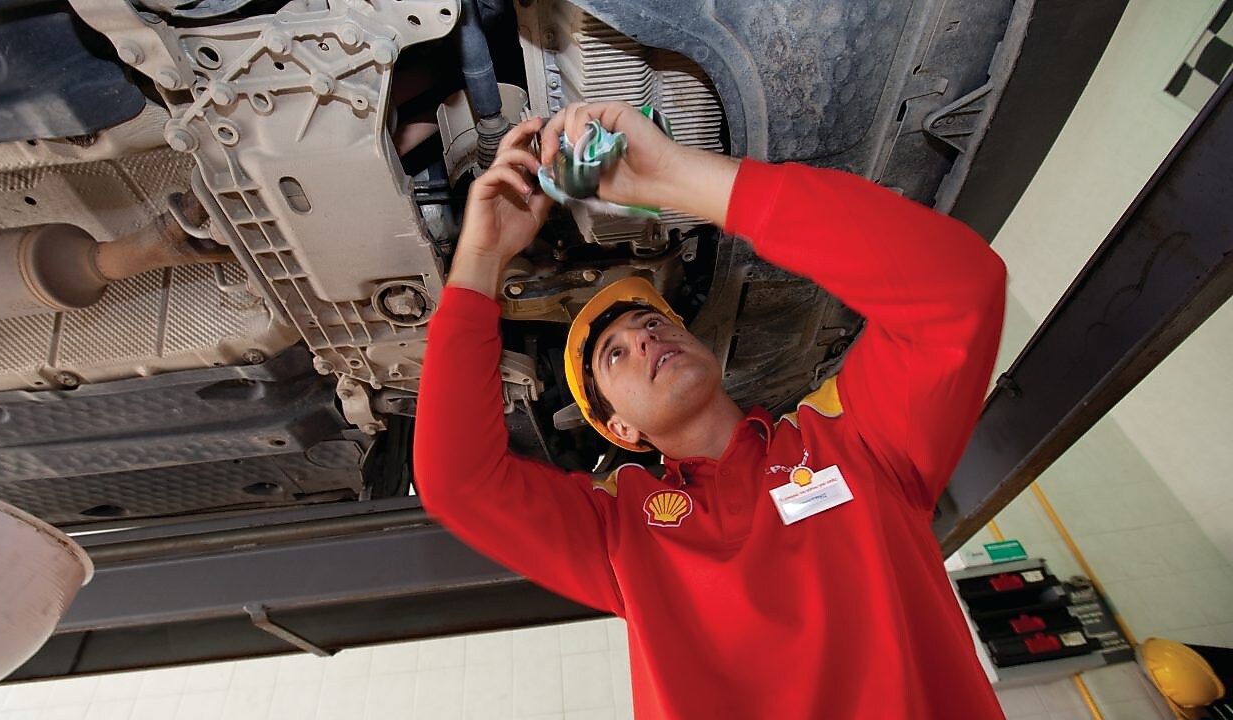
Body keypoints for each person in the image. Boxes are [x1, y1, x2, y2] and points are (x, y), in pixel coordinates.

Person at [414, 101, 1008, 719]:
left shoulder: (853, 442)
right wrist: (480, 261)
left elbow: (959, 292)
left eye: (652, 321)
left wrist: (676, 178)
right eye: (615, 355)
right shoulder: (621, 535)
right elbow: (460, 483)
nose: (645, 336)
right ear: (620, 427)